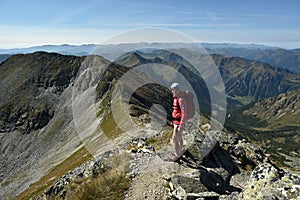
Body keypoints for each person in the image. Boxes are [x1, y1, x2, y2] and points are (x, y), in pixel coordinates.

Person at [170, 82, 186, 161]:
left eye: (174, 90)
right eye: (172, 90)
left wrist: (181, 125)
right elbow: (176, 111)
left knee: (175, 138)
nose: (172, 91)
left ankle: (177, 155)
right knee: (179, 138)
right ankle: (179, 151)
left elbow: (184, 113)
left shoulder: (180, 100)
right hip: (176, 122)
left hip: (179, 123)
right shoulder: (176, 98)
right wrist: (173, 121)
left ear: (177, 90)